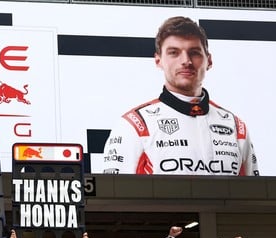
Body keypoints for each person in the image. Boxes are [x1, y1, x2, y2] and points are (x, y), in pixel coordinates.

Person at [101, 16, 258, 176]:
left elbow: (254, 197)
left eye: (194, 53)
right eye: (174, 53)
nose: (186, 61)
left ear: (209, 61)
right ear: (158, 60)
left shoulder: (235, 126)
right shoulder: (134, 125)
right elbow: (114, 196)